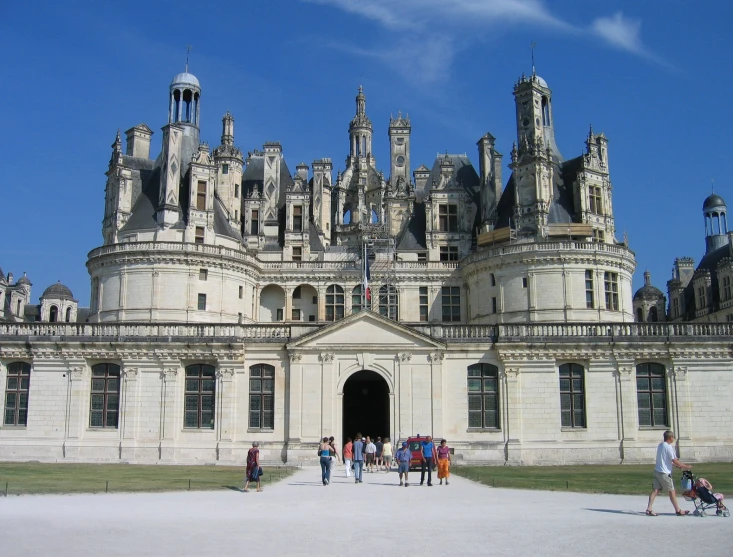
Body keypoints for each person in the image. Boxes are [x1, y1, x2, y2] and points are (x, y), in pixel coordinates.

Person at [646, 430, 692, 516]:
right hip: (664, 473)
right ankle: (678, 510)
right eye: (673, 437)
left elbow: (665, 459)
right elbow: (674, 460)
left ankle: (649, 508)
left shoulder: (660, 445)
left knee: (655, 490)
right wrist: (685, 466)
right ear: (670, 438)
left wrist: (676, 466)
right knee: (672, 491)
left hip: (657, 471)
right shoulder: (668, 447)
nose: (674, 439)